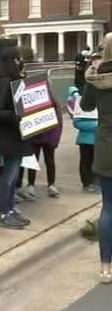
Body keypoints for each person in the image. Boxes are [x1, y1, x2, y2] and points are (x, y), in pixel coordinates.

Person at [80, 34, 112, 284]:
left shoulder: (97, 79)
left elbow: (86, 106)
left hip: (105, 149)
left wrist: (91, 72)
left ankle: (105, 268)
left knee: (108, 209)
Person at [0, 46, 33, 230]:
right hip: (8, 136)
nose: (19, 62)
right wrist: (16, 115)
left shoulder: (15, 80)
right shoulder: (2, 82)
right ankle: (4, 213)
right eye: (17, 59)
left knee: (13, 176)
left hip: (17, 135)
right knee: (8, 177)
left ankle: (11, 210)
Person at [15, 91, 63, 200]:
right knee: (33, 161)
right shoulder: (32, 102)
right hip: (35, 137)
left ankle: (51, 184)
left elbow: (59, 121)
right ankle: (31, 185)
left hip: (48, 137)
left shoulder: (53, 103)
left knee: (49, 161)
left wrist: (54, 139)